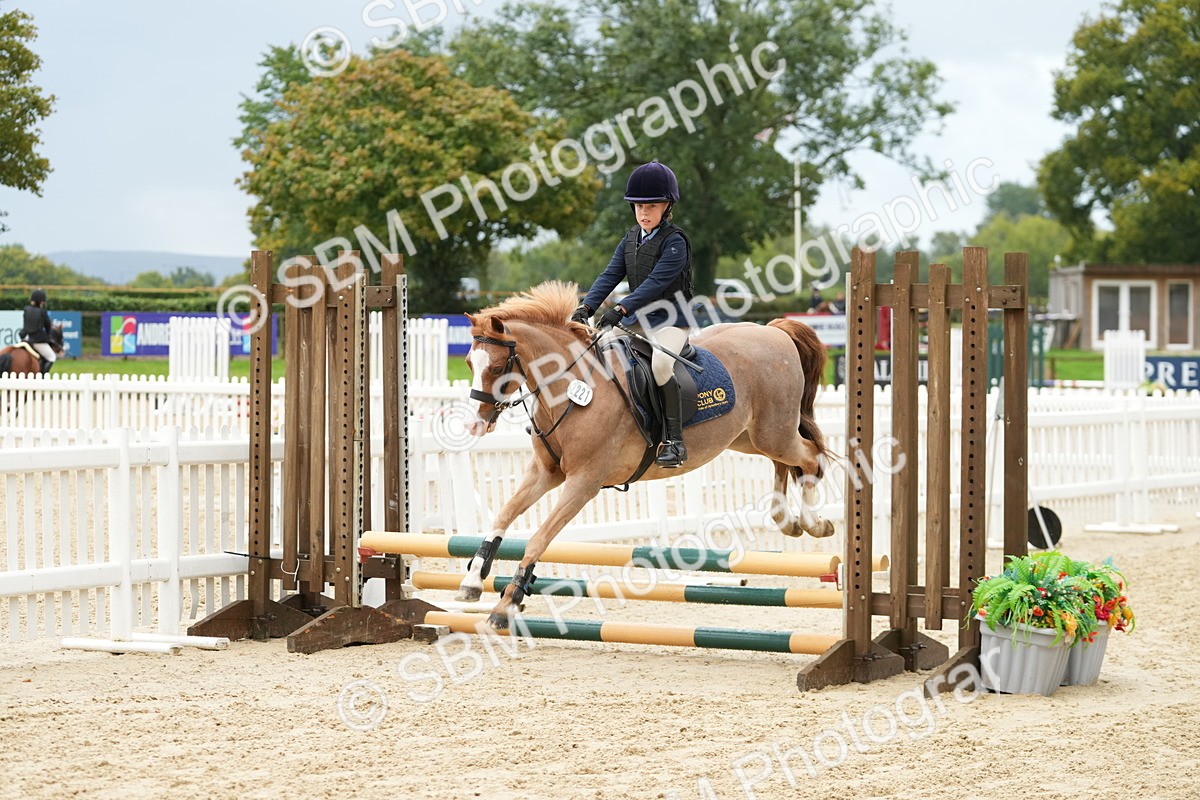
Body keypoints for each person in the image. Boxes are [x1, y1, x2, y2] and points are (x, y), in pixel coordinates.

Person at [571, 160, 693, 468]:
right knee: (596, 353)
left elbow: (655, 284)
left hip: (671, 321)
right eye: (638, 206)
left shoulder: (675, 242)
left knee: (662, 366)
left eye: (651, 205)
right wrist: (586, 306)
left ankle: (675, 441)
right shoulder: (630, 240)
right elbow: (610, 274)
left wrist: (621, 308)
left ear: (667, 206)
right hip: (637, 319)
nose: (643, 212)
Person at [19, 289, 56, 373]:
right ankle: (42, 376)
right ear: (41, 302)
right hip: (38, 340)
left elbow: (26, 325)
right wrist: (48, 336)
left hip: (26, 339)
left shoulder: (26, 309)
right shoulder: (42, 311)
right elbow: (47, 325)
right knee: (52, 357)